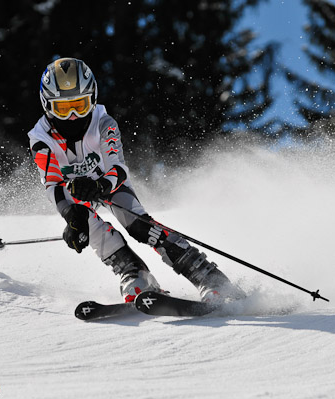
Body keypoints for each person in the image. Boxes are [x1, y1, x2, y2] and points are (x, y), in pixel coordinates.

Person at [28, 57, 243, 303]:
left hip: (109, 182)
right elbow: (53, 183)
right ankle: (133, 272)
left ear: (93, 99)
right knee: (87, 224)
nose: (74, 116)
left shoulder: (103, 123)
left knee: (136, 223)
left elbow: (117, 168)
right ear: (48, 106)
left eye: (80, 104)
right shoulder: (40, 138)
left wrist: (99, 186)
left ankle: (207, 275)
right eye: (63, 109)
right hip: (75, 192)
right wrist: (70, 216)